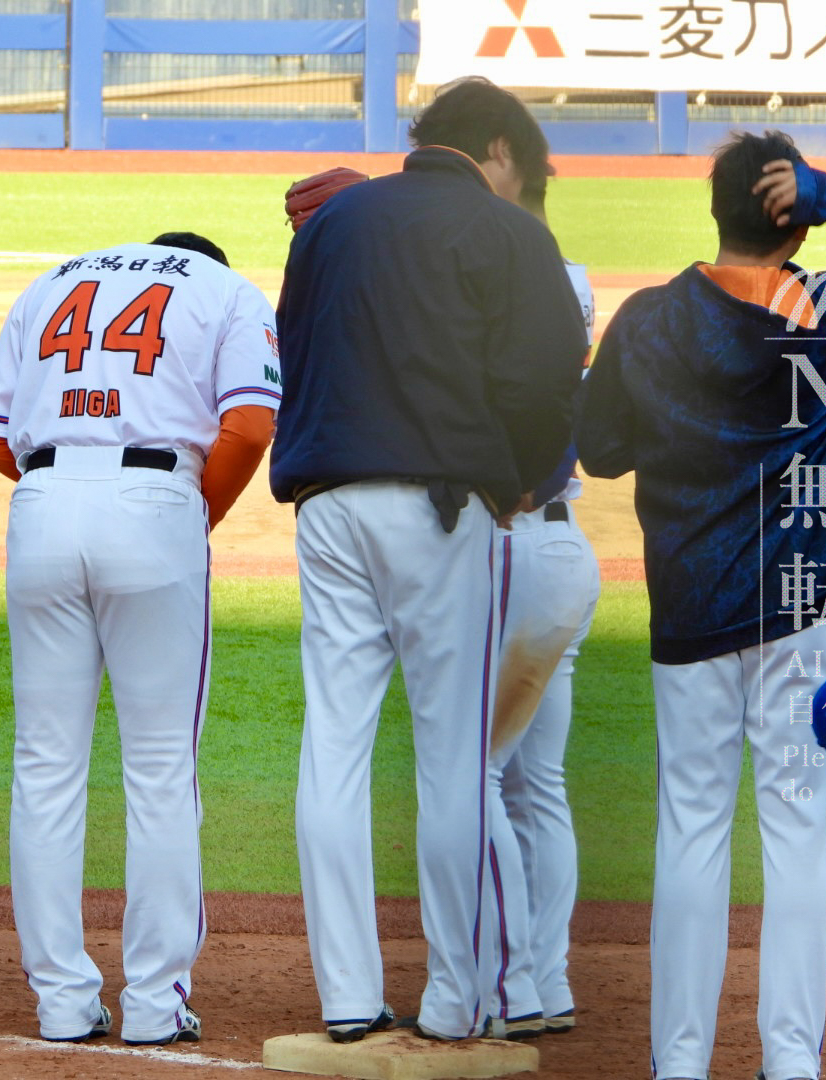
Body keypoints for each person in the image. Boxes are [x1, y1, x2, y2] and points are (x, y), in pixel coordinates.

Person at [577, 130, 826, 1080]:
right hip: (808, 608)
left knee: (691, 831)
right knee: (799, 834)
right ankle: (790, 1061)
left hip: (691, 605)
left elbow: (599, 451)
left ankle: (679, 1062)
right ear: (797, 219)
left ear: (716, 208)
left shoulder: (649, 318)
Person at [271, 76, 587, 1043]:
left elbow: (293, 345)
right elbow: (546, 381)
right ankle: (459, 998)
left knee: (334, 747)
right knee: (454, 759)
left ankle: (346, 998)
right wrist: (518, 478)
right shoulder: (506, 229)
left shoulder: (333, 221)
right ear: (498, 149)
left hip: (327, 502)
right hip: (443, 509)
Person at [0, 231, 280, 1045]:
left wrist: (68, 484)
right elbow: (249, 426)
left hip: (43, 505)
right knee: (162, 770)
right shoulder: (224, 289)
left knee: (45, 767)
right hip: (154, 502)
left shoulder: (52, 280)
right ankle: (154, 1002)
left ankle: (60, 1001)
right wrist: (192, 511)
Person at [481, 177, 601, 1040]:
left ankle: (510, 984)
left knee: (477, 773)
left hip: (508, 550)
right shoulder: (569, 281)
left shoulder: (501, 283)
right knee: (538, 784)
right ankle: (547, 981)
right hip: (565, 553)